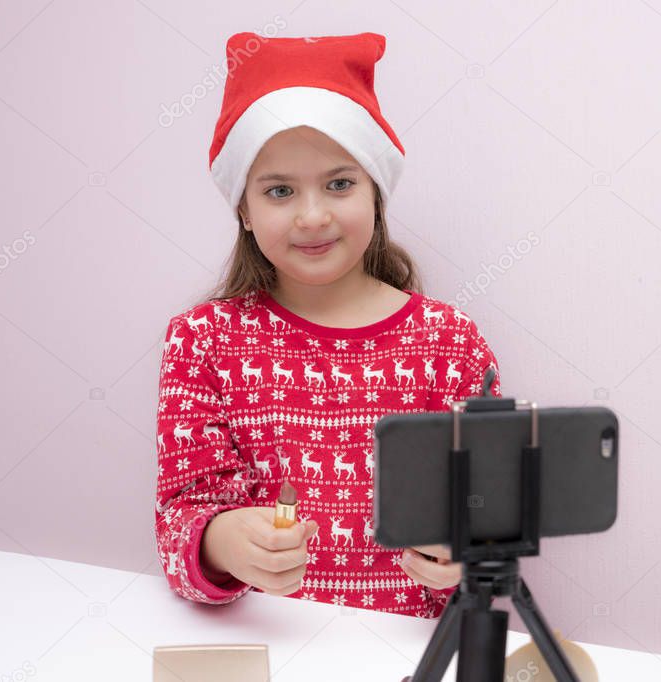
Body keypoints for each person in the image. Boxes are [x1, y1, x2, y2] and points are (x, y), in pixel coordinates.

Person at [154, 31, 502, 619]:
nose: (312, 216)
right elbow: (181, 517)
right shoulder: (203, 342)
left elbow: (491, 522)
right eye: (280, 191)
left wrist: (468, 559)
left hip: (408, 654)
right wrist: (220, 541)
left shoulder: (448, 344)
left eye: (339, 184)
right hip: (266, 645)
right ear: (244, 208)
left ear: (375, 193)